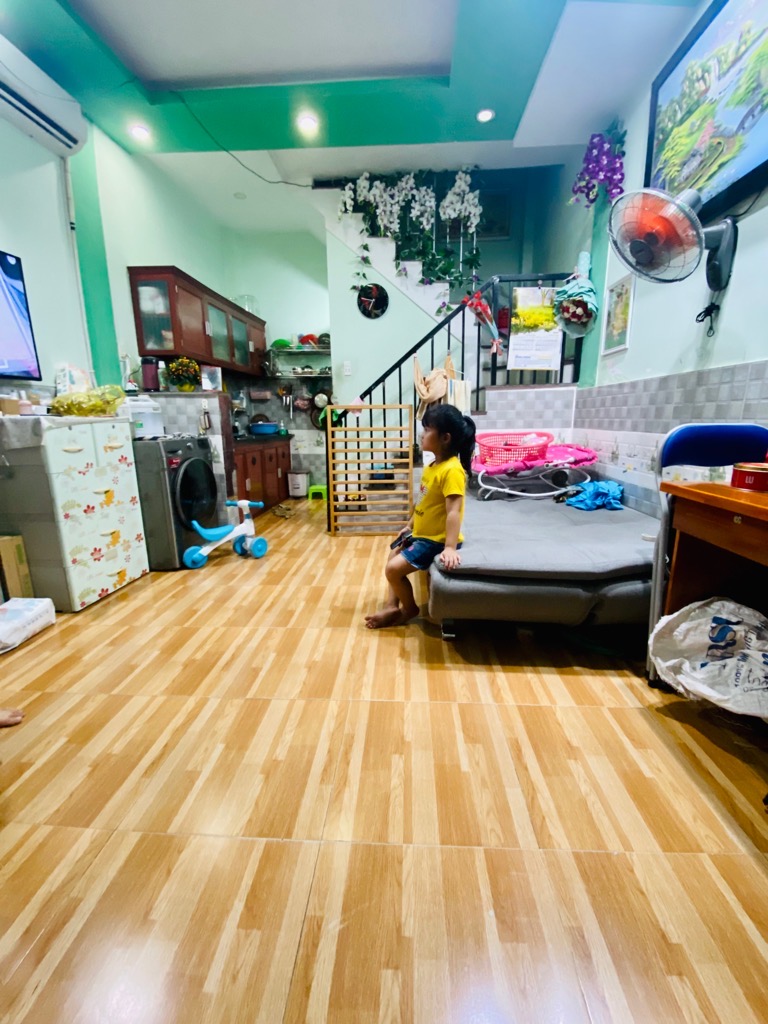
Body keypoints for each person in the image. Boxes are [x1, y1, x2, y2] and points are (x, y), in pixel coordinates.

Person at [365, 404, 476, 629]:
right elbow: (423, 501)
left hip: (436, 541)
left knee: (392, 570)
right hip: (423, 534)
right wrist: (410, 525)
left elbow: (454, 511)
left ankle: (409, 609)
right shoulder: (432, 466)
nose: (422, 434)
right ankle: (391, 605)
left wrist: (450, 547)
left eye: (427, 430)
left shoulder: (452, 470)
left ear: (445, 438)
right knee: (394, 553)